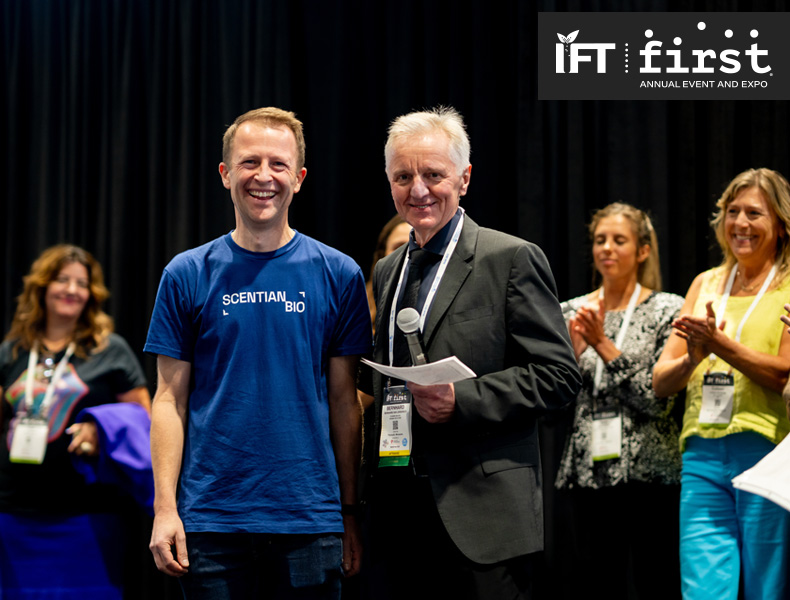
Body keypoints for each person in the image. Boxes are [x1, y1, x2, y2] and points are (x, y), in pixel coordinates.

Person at [145, 107, 372, 599]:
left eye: (278, 164)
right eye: (249, 163)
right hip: (210, 521)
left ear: (300, 177)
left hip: (311, 520)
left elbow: (344, 402)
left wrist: (349, 512)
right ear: (226, 174)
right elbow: (168, 401)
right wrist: (165, 508)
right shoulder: (185, 273)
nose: (264, 176)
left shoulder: (341, 274)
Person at [361, 106, 581, 600]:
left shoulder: (510, 259)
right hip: (399, 506)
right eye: (403, 176)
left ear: (464, 179)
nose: (418, 189)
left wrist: (464, 399)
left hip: (482, 514)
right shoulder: (388, 270)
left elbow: (559, 376)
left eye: (433, 174)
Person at [653, 168, 790, 600]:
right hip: (701, 454)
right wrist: (695, 357)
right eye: (732, 211)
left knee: (767, 585)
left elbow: (782, 372)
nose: (741, 224)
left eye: (754, 213)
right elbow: (661, 381)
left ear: (781, 224)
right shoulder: (706, 284)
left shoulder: (789, 284)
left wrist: (718, 344)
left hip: (765, 449)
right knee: (703, 588)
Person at [0, 244, 152, 600]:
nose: (71, 290)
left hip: (88, 518)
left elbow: (145, 421)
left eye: (81, 284)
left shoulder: (109, 349)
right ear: (41, 287)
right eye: (62, 280)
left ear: (91, 294)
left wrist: (101, 428)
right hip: (13, 516)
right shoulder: (13, 351)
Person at [556, 203, 683, 599]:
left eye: (619, 240)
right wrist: (572, 356)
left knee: (654, 582)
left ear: (643, 250)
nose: (606, 248)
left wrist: (603, 345)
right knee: (594, 585)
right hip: (588, 473)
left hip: (650, 475)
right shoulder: (571, 312)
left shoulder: (669, 309)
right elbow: (550, 407)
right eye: (599, 240)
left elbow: (656, 400)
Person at [366, 214, 410, 329]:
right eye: (399, 247)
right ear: (383, 256)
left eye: (417, 247)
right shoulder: (359, 305)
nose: (409, 255)